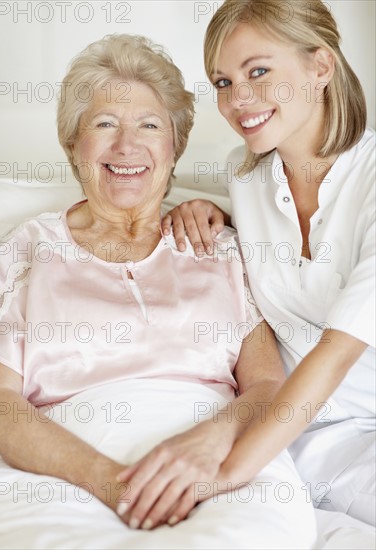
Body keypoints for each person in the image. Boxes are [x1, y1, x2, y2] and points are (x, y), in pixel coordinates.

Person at [0, 34, 316, 549]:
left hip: (221, 464)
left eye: (149, 125)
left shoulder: (223, 246)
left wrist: (206, 445)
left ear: (173, 147)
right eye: (104, 125)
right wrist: (112, 481)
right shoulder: (28, 249)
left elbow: (266, 388)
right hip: (57, 476)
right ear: (74, 144)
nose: (127, 146)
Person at [159, 0, 375, 527]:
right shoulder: (245, 176)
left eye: (258, 71)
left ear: (320, 67)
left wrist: (226, 473)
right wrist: (215, 212)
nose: (238, 100)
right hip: (295, 434)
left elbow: (337, 350)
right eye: (224, 82)